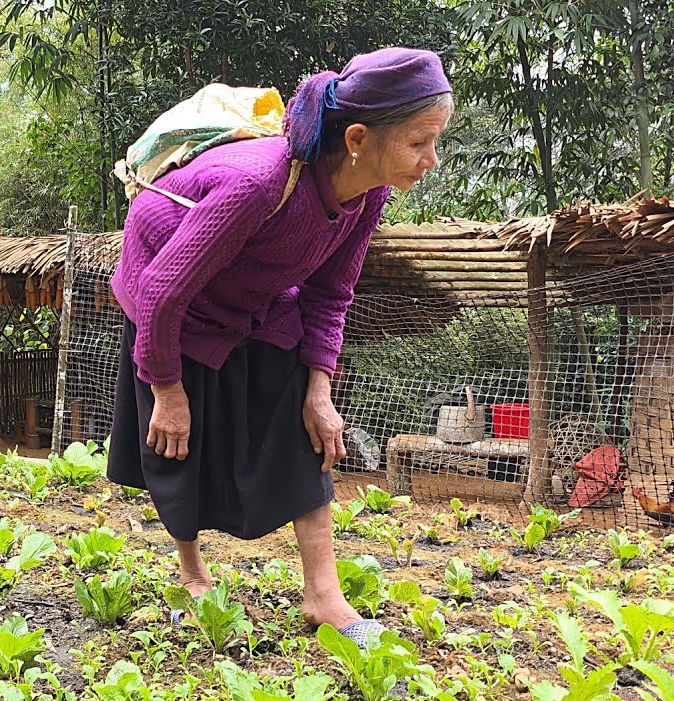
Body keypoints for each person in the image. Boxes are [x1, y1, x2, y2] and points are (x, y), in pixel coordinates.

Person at [107, 47, 453, 647]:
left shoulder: (366, 195)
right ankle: (193, 578)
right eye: (420, 142)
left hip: (257, 298)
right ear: (358, 137)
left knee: (306, 428)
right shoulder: (258, 185)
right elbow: (163, 292)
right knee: (181, 438)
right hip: (172, 300)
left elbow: (330, 294)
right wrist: (167, 389)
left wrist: (320, 386)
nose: (431, 160)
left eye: (435, 141)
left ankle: (324, 594)